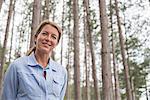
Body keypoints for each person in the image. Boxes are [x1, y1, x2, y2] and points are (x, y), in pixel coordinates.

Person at [2, 20, 67, 100]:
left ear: (56, 43)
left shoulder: (62, 72)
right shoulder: (17, 66)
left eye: (53, 37)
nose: (48, 39)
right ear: (36, 37)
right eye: (44, 34)